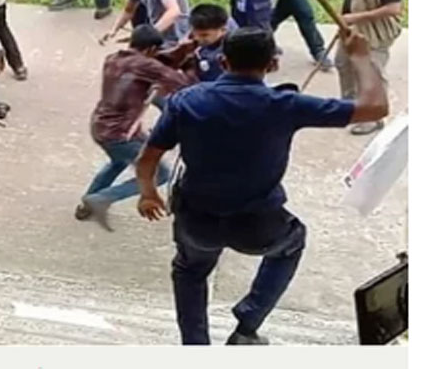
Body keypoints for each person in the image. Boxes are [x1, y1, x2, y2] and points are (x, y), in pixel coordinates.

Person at [134, 27, 389, 345]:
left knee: (190, 271)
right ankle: (247, 325)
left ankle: (195, 346)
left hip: (198, 220)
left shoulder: (186, 101)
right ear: (273, 64)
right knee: (292, 243)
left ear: (223, 62)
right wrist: (361, 58)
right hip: (258, 226)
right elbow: (376, 108)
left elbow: (147, 159)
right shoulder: (286, 104)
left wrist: (148, 194)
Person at [76, 25, 193, 230]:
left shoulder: (114, 58)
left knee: (118, 162)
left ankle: (87, 204)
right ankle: (100, 199)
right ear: (151, 49)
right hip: (121, 133)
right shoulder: (146, 66)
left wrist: (179, 51)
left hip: (101, 126)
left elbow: (154, 64)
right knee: (159, 174)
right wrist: (189, 62)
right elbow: (179, 82)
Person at [337, 0, 404, 136]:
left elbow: (394, 8)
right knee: (343, 63)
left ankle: (373, 117)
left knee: (371, 73)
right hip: (352, 30)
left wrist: (356, 17)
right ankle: (351, 107)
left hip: (374, 34)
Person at [187, 4, 238, 82]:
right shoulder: (197, 46)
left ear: (223, 30)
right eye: (195, 33)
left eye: (204, 35)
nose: (197, 38)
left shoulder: (232, 51)